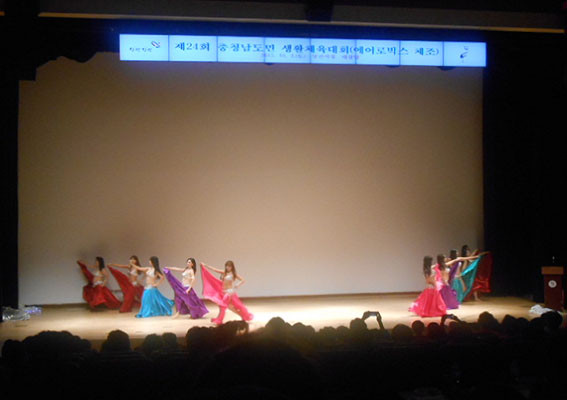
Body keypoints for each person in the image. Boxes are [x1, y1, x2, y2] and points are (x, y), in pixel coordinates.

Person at [201, 260, 253, 325]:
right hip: (224, 292)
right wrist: (205, 265)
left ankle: (219, 320)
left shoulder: (233, 274)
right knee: (230, 307)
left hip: (229, 292)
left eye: (229, 266)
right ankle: (243, 316)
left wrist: (237, 285)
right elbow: (214, 270)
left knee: (222, 306)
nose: (227, 268)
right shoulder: (224, 272)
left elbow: (243, 280)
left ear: (232, 267)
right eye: (227, 266)